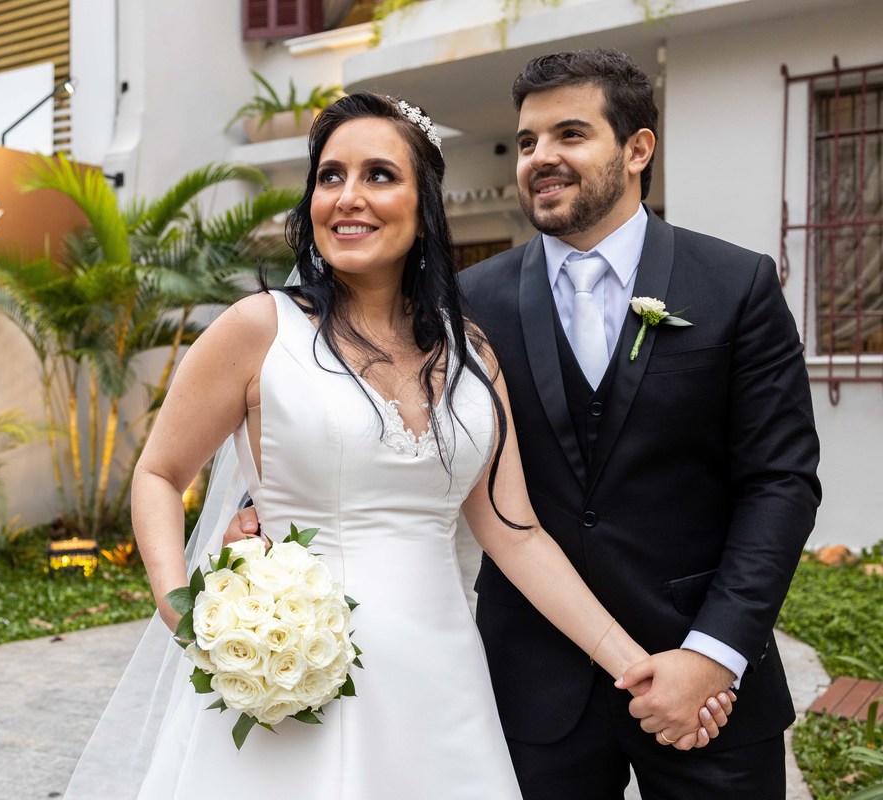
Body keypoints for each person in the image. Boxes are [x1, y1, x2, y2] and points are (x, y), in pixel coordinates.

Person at [68, 91, 729, 800]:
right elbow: (160, 473)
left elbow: (517, 536)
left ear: (424, 206)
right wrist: (185, 607)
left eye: (379, 175)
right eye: (330, 176)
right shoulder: (258, 329)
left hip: (440, 686)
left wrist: (637, 666)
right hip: (292, 679)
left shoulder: (472, 353)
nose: (348, 198)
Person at [228, 51, 819, 798]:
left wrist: (712, 654)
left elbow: (782, 483)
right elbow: (373, 421)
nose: (542, 158)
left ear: (638, 149)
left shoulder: (736, 284)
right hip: (529, 691)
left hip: (702, 688)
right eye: (529, 141)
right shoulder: (463, 306)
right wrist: (265, 505)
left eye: (570, 134)